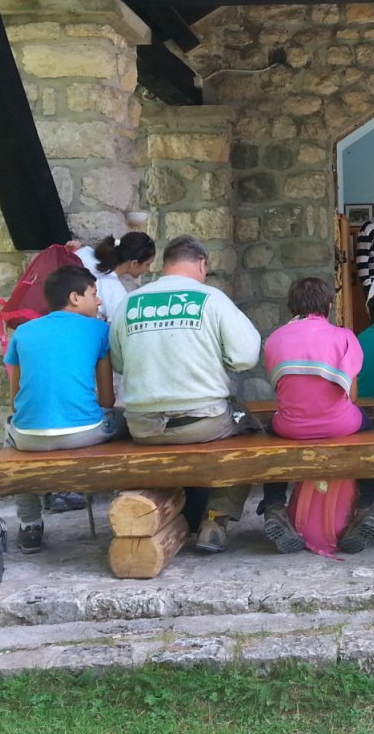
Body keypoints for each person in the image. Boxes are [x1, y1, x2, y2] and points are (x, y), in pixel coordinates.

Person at [108, 235, 265, 552]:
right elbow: (246, 357)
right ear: (202, 264)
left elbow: (120, 363)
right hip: (203, 422)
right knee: (254, 434)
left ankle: (173, 508)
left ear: (164, 264)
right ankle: (216, 517)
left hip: (143, 426)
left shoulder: (130, 302)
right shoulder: (212, 299)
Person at [258, 278, 374, 551]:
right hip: (340, 424)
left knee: (268, 436)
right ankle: (369, 505)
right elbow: (352, 396)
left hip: (290, 427)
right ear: (329, 306)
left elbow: (281, 388)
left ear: (291, 307)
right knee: (367, 431)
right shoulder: (344, 337)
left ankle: (274, 506)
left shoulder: (274, 339)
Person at [3, 265, 121, 554]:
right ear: (75, 298)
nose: (99, 301)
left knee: (10, 436)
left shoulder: (23, 332)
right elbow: (107, 400)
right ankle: (125, 505)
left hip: (28, 437)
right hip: (85, 433)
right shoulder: (100, 330)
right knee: (127, 423)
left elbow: (14, 400)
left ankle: (30, 523)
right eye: (94, 293)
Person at [73, 232, 156, 323]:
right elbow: (116, 328)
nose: (148, 269)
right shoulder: (116, 293)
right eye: (147, 264)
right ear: (134, 263)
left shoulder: (85, 252)